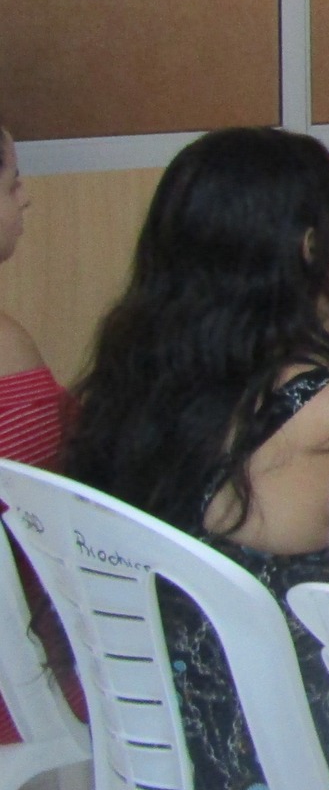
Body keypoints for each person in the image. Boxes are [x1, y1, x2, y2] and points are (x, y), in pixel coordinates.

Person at [64, 127, 329, 790]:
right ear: (309, 246)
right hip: (285, 751)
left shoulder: (137, 376)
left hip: (155, 731)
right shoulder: (321, 409)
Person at [0, 121, 89, 741]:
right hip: (22, 680)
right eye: (12, 185)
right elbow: (46, 513)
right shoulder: (5, 349)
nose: (26, 198)